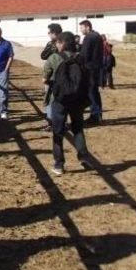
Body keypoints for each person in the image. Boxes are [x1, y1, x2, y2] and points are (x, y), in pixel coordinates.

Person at [43, 31, 92, 175]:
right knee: (78, 128)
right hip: (77, 99)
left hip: (59, 100)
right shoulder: (81, 58)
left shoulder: (53, 58)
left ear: (62, 43)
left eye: (57, 42)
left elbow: (44, 79)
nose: (56, 45)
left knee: (58, 132)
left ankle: (59, 164)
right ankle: (84, 158)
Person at [79, 19, 103, 125]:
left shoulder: (89, 37)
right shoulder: (97, 36)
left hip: (89, 69)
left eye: (82, 28)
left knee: (91, 92)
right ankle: (98, 115)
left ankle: (95, 116)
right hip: (96, 67)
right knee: (95, 92)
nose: (81, 30)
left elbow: (84, 54)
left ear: (87, 27)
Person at [40, 23, 63, 131]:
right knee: (49, 98)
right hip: (50, 74)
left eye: (49, 32)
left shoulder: (63, 42)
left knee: (55, 99)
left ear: (54, 33)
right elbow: (43, 56)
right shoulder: (50, 43)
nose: (48, 34)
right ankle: (51, 122)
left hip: (57, 75)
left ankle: (56, 122)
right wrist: (50, 47)